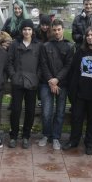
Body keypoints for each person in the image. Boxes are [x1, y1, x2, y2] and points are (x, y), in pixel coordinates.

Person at [63, 26, 92, 155]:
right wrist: (73, 92)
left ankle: (89, 143)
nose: (90, 37)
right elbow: (73, 73)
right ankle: (73, 140)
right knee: (76, 118)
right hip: (80, 93)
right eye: (88, 35)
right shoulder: (80, 52)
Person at [38, 19, 73, 150]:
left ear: (63, 29)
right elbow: (43, 64)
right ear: (51, 31)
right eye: (54, 30)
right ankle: (46, 135)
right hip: (46, 83)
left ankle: (56, 137)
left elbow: (68, 65)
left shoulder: (69, 46)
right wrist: (51, 80)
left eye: (59, 29)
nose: (57, 32)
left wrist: (57, 79)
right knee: (46, 112)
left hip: (62, 84)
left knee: (59, 112)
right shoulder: (46, 46)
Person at [8, 19, 42, 149]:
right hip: (18, 82)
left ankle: (26, 136)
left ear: (32, 31)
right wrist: (13, 75)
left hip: (32, 83)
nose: (27, 31)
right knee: (15, 110)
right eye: (24, 29)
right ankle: (13, 136)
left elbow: (41, 64)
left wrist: (37, 77)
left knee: (30, 111)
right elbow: (9, 62)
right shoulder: (14, 44)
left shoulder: (38, 45)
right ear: (21, 31)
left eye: (29, 29)